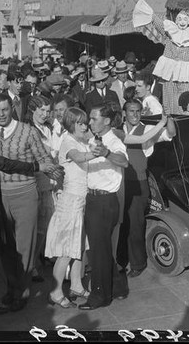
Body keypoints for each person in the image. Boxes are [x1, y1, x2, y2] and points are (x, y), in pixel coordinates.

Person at [0, 93, 63, 311]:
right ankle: (12, 287)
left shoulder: (27, 131)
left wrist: (56, 174)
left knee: (24, 246)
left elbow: (44, 158)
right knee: (6, 246)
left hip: (25, 193)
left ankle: (22, 290)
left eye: (4, 110)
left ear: (12, 107)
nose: (1, 115)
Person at [116, 99, 176, 279]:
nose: (135, 115)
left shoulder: (147, 130)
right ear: (124, 112)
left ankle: (138, 263)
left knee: (135, 225)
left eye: (138, 111)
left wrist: (168, 117)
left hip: (138, 184)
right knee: (121, 224)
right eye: (131, 111)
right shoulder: (118, 130)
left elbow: (171, 133)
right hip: (118, 184)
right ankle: (120, 260)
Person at [78, 103, 129, 310]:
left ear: (106, 121)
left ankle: (100, 296)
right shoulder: (93, 139)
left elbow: (124, 161)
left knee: (97, 251)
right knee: (103, 248)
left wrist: (106, 153)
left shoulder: (112, 141)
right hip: (95, 200)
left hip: (103, 201)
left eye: (93, 118)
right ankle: (117, 288)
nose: (90, 122)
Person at [44, 107, 95, 308]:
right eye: (80, 123)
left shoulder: (81, 139)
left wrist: (90, 134)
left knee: (80, 247)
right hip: (71, 201)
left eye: (85, 122)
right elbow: (80, 158)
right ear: (71, 124)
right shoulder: (67, 141)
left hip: (82, 200)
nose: (85, 126)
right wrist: (101, 150)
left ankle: (76, 285)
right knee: (66, 250)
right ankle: (55, 292)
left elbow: (90, 138)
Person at [24, 95, 57, 282]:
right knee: (38, 227)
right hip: (38, 182)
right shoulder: (29, 130)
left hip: (51, 181)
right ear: (32, 110)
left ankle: (42, 257)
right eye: (41, 110)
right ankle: (33, 264)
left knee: (47, 224)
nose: (45, 114)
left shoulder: (49, 127)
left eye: (47, 110)